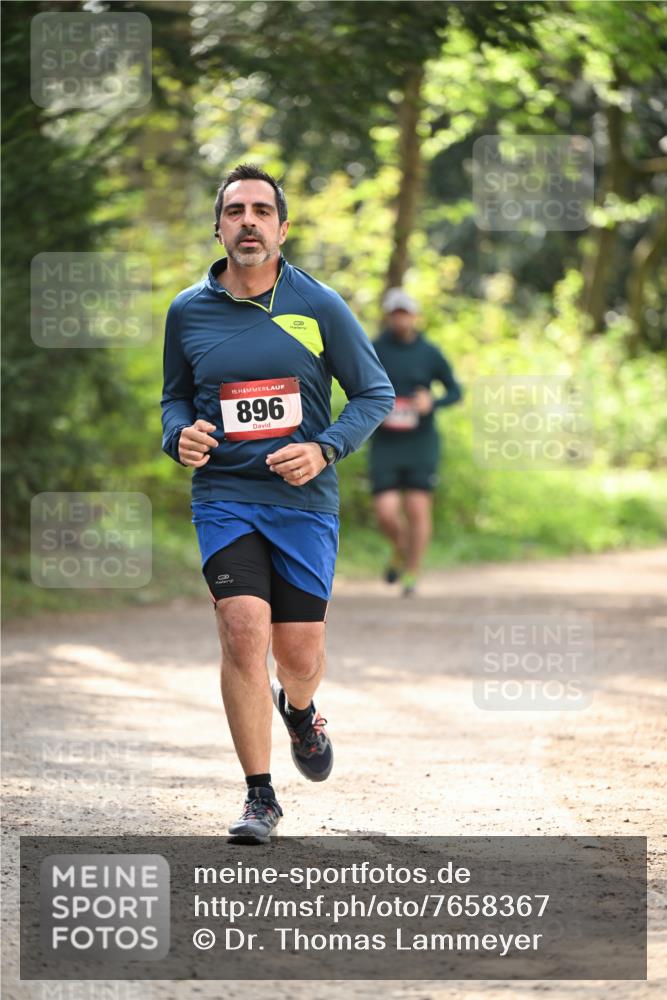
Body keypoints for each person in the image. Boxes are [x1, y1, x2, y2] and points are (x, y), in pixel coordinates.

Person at [161, 163, 394, 843]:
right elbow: (174, 395)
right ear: (219, 226)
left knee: (297, 654)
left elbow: (374, 394)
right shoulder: (187, 310)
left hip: (302, 502)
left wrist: (323, 448)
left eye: (262, 211)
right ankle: (259, 796)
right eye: (236, 211)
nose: (249, 222)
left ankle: (300, 709)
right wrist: (179, 435)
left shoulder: (318, 304)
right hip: (225, 496)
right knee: (241, 631)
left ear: (282, 228)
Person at [369, 288, 463, 596]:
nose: (401, 318)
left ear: (414, 316)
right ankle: (400, 547)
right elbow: (355, 381)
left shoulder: (429, 352)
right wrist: (373, 406)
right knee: (385, 511)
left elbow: (455, 391)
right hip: (385, 441)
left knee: (418, 508)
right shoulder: (374, 348)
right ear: (388, 315)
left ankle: (412, 571)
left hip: (420, 441)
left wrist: (431, 402)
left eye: (405, 312)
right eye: (395, 313)